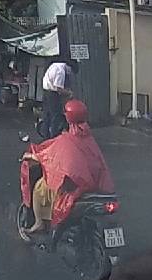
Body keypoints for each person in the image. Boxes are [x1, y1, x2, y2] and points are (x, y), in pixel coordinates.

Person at [23, 99, 114, 233]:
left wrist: (32, 156)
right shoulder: (88, 137)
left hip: (73, 185)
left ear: (68, 117)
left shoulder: (67, 140)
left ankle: (39, 223)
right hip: (93, 182)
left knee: (39, 188)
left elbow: (49, 157)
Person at [39, 59, 77, 139]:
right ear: (69, 67)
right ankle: (54, 136)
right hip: (52, 94)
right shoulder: (60, 71)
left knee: (47, 114)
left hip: (46, 91)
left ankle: (46, 135)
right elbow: (58, 88)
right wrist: (68, 93)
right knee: (56, 115)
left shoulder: (54, 65)